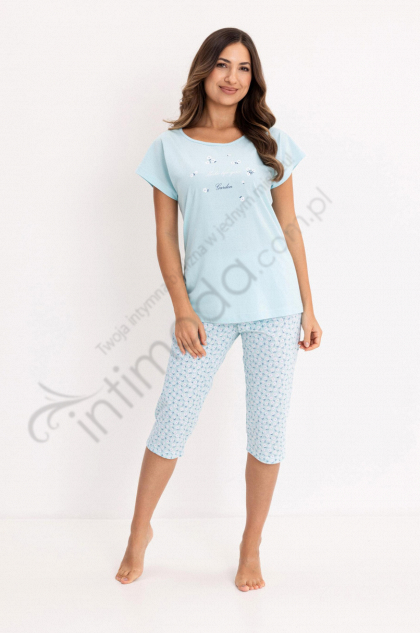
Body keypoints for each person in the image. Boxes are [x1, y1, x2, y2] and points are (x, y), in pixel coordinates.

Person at [116, 27, 322, 592]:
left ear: (254, 78)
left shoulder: (269, 140)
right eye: (223, 65)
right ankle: (139, 531)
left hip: (275, 306)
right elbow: (165, 236)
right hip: (204, 312)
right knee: (172, 422)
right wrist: (183, 309)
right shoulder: (169, 148)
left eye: (244, 68)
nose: (233, 77)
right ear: (204, 70)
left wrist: (308, 307)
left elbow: (290, 226)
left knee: (268, 432)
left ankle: (250, 546)